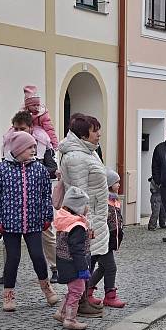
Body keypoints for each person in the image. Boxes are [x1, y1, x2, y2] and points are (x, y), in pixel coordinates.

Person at [0, 130, 57, 312]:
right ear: (17, 149)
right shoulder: (2, 169)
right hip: (10, 224)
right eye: (29, 147)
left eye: (34, 146)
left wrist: (48, 216)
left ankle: (47, 289)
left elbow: (45, 195)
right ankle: (8, 295)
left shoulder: (39, 169)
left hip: (33, 223)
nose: (33, 150)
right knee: (12, 259)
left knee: (38, 256)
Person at [0, 110, 59, 284]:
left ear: (30, 128)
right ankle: (7, 272)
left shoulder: (42, 142)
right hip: (13, 205)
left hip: (35, 204)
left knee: (47, 237)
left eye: (22, 128)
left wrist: (34, 168)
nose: (18, 132)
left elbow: (52, 167)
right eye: (15, 128)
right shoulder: (9, 142)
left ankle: (54, 268)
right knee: (9, 246)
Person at [58, 113, 108, 318]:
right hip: (88, 215)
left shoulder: (88, 151)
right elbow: (79, 192)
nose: (99, 134)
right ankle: (80, 302)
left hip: (95, 213)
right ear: (83, 134)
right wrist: (86, 222)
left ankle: (82, 299)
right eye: (95, 130)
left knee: (90, 257)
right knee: (84, 259)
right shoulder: (76, 157)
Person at [52, 186, 92, 330]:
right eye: (85, 204)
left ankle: (61, 313)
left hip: (63, 261)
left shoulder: (64, 221)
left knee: (72, 290)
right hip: (74, 264)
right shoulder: (77, 226)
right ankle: (70, 319)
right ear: (78, 207)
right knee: (77, 291)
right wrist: (83, 269)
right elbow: (77, 250)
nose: (88, 208)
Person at [87, 169, 125, 308]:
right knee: (110, 267)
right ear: (108, 184)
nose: (119, 185)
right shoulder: (103, 201)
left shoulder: (115, 200)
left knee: (101, 267)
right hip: (101, 239)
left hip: (108, 240)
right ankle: (109, 296)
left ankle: (87, 292)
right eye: (117, 182)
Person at [22, 85, 59, 150]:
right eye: (33, 105)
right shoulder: (22, 114)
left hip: (39, 137)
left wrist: (54, 143)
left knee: (42, 137)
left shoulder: (42, 114)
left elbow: (49, 129)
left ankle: (40, 157)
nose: (36, 107)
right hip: (26, 136)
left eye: (37, 105)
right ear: (28, 106)